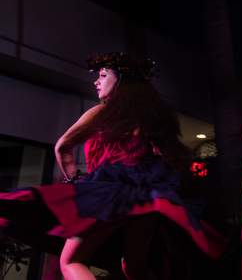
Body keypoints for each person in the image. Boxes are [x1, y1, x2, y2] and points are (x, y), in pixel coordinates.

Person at [0, 52, 224, 279]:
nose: (96, 81)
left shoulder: (102, 113)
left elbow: (62, 147)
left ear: (122, 81)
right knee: (133, 268)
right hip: (148, 200)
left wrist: (78, 186)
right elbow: (167, 161)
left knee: (71, 262)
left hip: (112, 195)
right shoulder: (152, 118)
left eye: (103, 75)